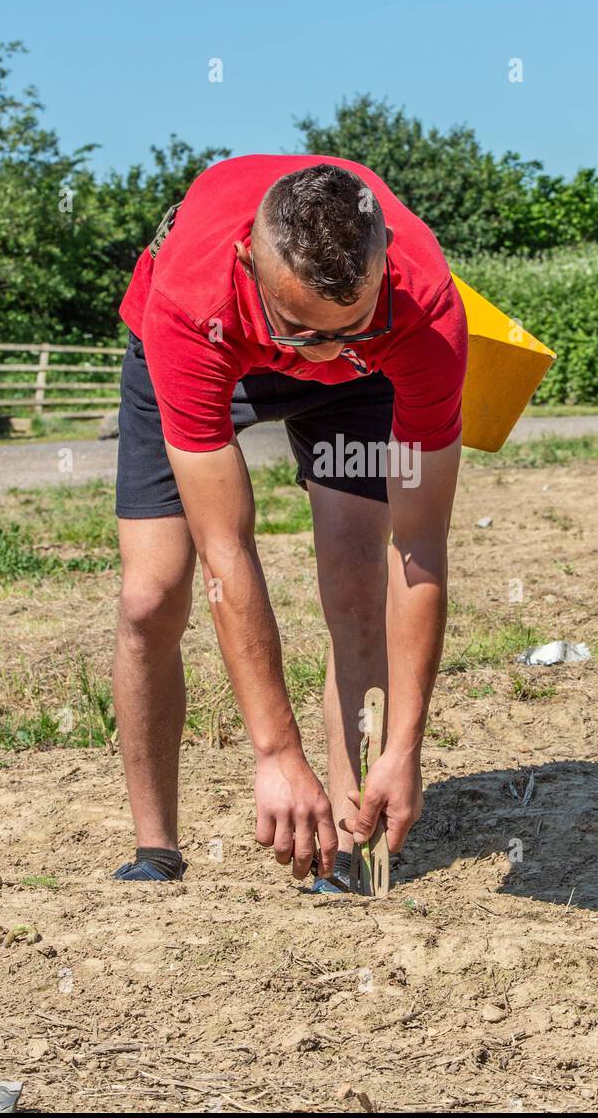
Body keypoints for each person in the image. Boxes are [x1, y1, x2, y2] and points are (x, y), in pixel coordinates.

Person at [111, 156, 467, 891]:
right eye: (308, 330)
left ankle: (350, 843)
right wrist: (275, 750)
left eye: (353, 325)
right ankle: (156, 849)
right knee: (152, 594)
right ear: (248, 262)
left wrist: (406, 744)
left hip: (363, 390)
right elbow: (225, 547)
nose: (329, 352)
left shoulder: (424, 309)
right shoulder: (191, 299)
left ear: (384, 272)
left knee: (357, 581)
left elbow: (419, 546)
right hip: (210, 348)